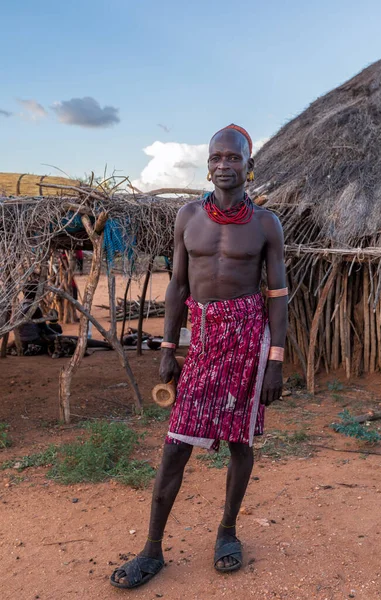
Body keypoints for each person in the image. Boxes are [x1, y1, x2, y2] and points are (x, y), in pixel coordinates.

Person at [110, 124, 288, 589]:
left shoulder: (266, 224)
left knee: (240, 443)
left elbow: (278, 294)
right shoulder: (188, 217)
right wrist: (169, 347)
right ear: (207, 164)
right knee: (175, 446)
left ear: (250, 166)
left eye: (234, 158)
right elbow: (177, 286)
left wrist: (275, 360)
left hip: (249, 340)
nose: (224, 165)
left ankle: (227, 533)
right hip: (204, 342)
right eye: (217, 157)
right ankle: (151, 549)